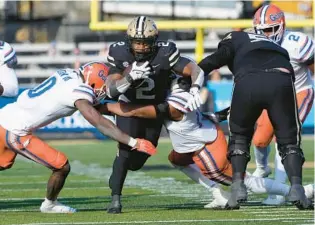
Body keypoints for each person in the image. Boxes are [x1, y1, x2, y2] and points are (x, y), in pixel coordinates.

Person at [100, 76, 314, 209]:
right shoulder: (180, 97)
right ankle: (217, 194)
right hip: (195, 140)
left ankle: (298, 191)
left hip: (204, 147)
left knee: (242, 181)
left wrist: (104, 107)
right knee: (176, 160)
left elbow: (138, 111)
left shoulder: (174, 104)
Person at [0, 62, 157, 213]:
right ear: (94, 82)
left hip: (5, 117)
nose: (103, 91)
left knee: (2, 164)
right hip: (16, 130)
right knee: (61, 166)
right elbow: (98, 121)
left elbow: (99, 108)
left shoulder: (69, 75)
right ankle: (49, 204)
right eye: (103, 85)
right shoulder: (78, 91)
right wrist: (133, 141)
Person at [197, 28, 313, 210]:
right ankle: (297, 188)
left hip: (249, 79)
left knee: (240, 137)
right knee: (289, 142)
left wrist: (186, 78)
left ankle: (237, 187)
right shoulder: (272, 43)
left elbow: (215, 60)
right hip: (282, 79)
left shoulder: (235, 37)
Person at [104, 15, 204, 213]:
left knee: (140, 159)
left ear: (154, 41)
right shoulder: (120, 53)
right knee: (125, 150)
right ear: (128, 41)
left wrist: (194, 88)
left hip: (153, 109)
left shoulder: (165, 52)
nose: (140, 47)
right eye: (136, 42)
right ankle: (115, 199)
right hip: (129, 107)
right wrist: (129, 78)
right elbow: (111, 91)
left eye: (145, 43)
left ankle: (122, 168)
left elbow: (195, 69)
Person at [252, 4, 314, 206]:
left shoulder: (297, 43)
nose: (267, 35)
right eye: (262, 31)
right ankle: (262, 167)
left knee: (283, 138)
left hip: (299, 92)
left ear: (282, 25)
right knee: (260, 141)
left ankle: (278, 190)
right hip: (273, 95)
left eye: (270, 29)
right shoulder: (253, 45)